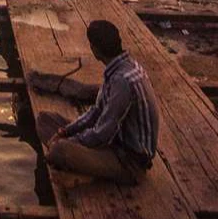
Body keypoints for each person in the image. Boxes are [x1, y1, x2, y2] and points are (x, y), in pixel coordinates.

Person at [39, 20, 160, 184]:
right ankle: (78, 161)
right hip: (113, 143)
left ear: (94, 49)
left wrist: (69, 142)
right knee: (44, 120)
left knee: (59, 151)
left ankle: (84, 170)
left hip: (129, 162)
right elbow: (96, 112)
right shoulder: (122, 67)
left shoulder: (121, 81)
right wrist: (64, 132)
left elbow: (102, 133)